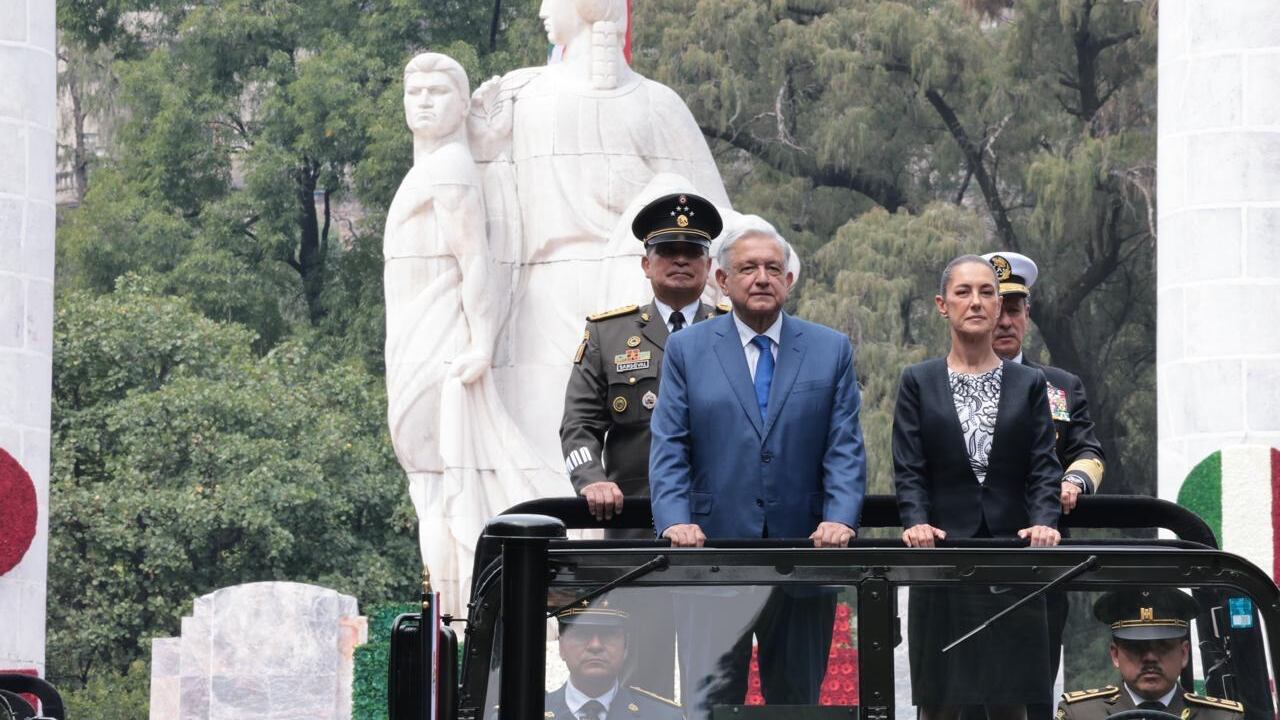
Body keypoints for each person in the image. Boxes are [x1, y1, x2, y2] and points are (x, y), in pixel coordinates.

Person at [467, 0, 732, 472]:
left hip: (638, 296)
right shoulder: (518, 96)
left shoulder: (657, 104)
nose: (545, 9)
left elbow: (719, 219)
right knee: (545, 459)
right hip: (539, 305)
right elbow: (483, 208)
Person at [649, 215, 867, 717]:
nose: (762, 278)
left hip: (805, 555)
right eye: (747, 268)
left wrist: (841, 517)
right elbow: (670, 444)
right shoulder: (688, 349)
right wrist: (675, 520)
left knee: (796, 704)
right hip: (713, 556)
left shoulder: (828, 348)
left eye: (774, 268)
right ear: (721, 281)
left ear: (789, 280)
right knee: (708, 705)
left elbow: (844, 446)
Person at [383, 53, 568, 618]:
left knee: (439, 483)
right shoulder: (433, 167)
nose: (424, 101)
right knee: (428, 484)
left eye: (439, 91)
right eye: (415, 91)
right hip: (413, 337)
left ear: (463, 105)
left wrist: (482, 343)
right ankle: (451, 610)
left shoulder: (451, 168)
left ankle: (458, 610)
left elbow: (476, 260)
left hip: (443, 340)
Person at [559, 192, 726, 694]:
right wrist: (592, 480)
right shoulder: (608, 334)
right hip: (636, 529)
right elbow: (578, 426)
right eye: (668, 251)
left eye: (692, 252)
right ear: (646, 263)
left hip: (718, 529)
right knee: (639, 678)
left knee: (716, 677)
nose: (680, 260)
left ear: (709, 265)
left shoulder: (735, 330)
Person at [893, 254, 1063, 720]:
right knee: (940, 703)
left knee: (1010, 703)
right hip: (941, 556)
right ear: (942, 305)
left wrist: (1044, 522)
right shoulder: (917, 381)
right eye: (963, 292)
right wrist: (916, 522)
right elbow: (909, 466)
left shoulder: (1029, 382)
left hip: (1012, 558)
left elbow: (1043, 466)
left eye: (987, 293)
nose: (976, 302)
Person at [981, 251, 1107, 720]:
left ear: (1027, 315)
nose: (1003, 320)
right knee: (965, 693)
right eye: (994, 307)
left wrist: (1073, 479)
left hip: (1041, 561)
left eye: (1013, 309)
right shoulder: (942, 383)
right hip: (969, 559)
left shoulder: (1060, 385)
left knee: (1034, 691)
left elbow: (1090, 453)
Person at [1055, 590, 1244, 720]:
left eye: (1163, 646)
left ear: (1184, 653)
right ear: (1115, 655)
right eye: (1137, 648)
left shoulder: (1223, 717)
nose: (1150, 657)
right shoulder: (1080, 715)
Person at [545, 600, 683, 720]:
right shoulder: (529, 711)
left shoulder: (662, 716)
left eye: (607, 634)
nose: (595, 645)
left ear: (626, 646)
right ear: (561, 647)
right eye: (582, 634)